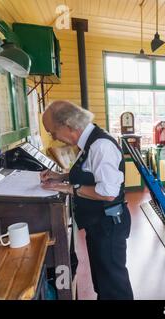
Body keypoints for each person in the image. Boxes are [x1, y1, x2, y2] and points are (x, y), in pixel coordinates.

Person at [41, 100, 134, 300]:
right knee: (103, 283)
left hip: (109, 226)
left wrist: (67, 188)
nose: (54, 138)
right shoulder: (89, 142)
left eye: (52, 132)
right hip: (99, 225)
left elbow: (108, 192)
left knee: (114, 287)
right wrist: (61, 177)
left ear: (68, 126)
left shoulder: (101, 146)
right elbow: (89, 173)